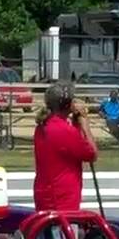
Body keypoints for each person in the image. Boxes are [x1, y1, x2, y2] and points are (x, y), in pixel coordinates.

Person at [32, 80, 98, 212]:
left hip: (45, 195)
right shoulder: (65, 131)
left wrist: (75, 125)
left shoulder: (43, 127)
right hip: (63, 201)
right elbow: (92, 153)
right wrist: (85, 125)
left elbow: (67, 148)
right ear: (68, 104)